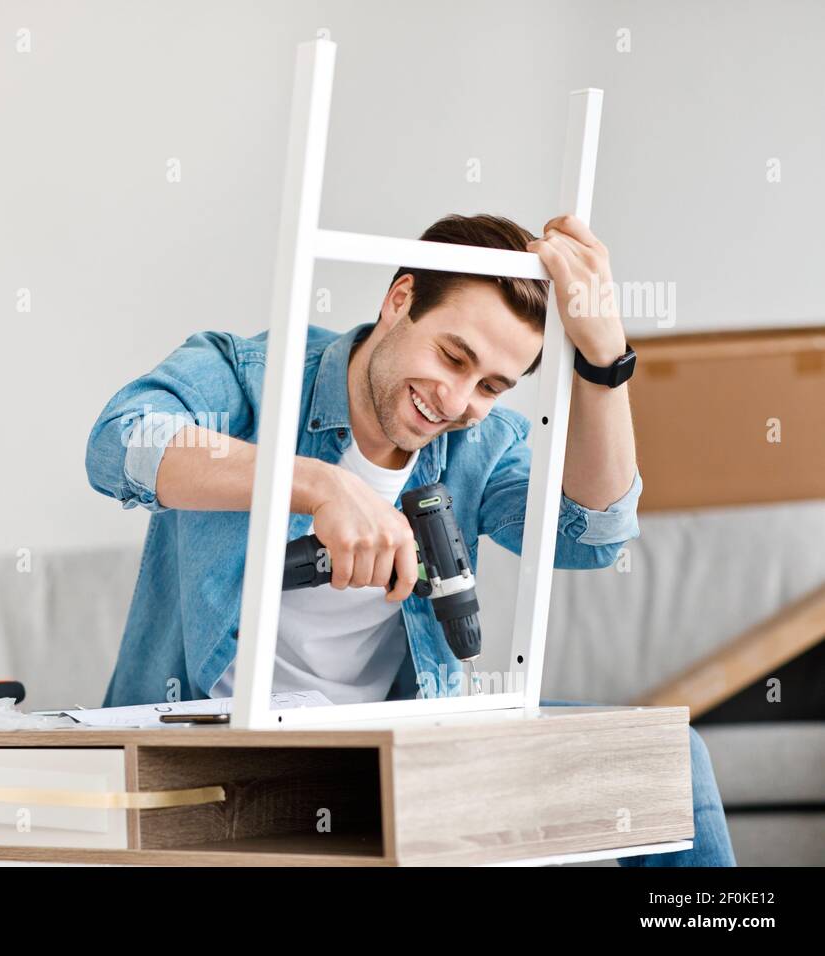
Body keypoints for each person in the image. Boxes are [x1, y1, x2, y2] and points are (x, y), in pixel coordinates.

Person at [85, 213, 735, 866]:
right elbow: (121, 442)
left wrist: (604, 361)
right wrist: (317, 486)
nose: (455, 401)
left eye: (490, 386)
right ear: (400, 300)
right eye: (453, 357)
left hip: (393, 755)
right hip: (218, 756)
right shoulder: (251, 377)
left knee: (675, 760)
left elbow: (592, 534)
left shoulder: (479, 443)